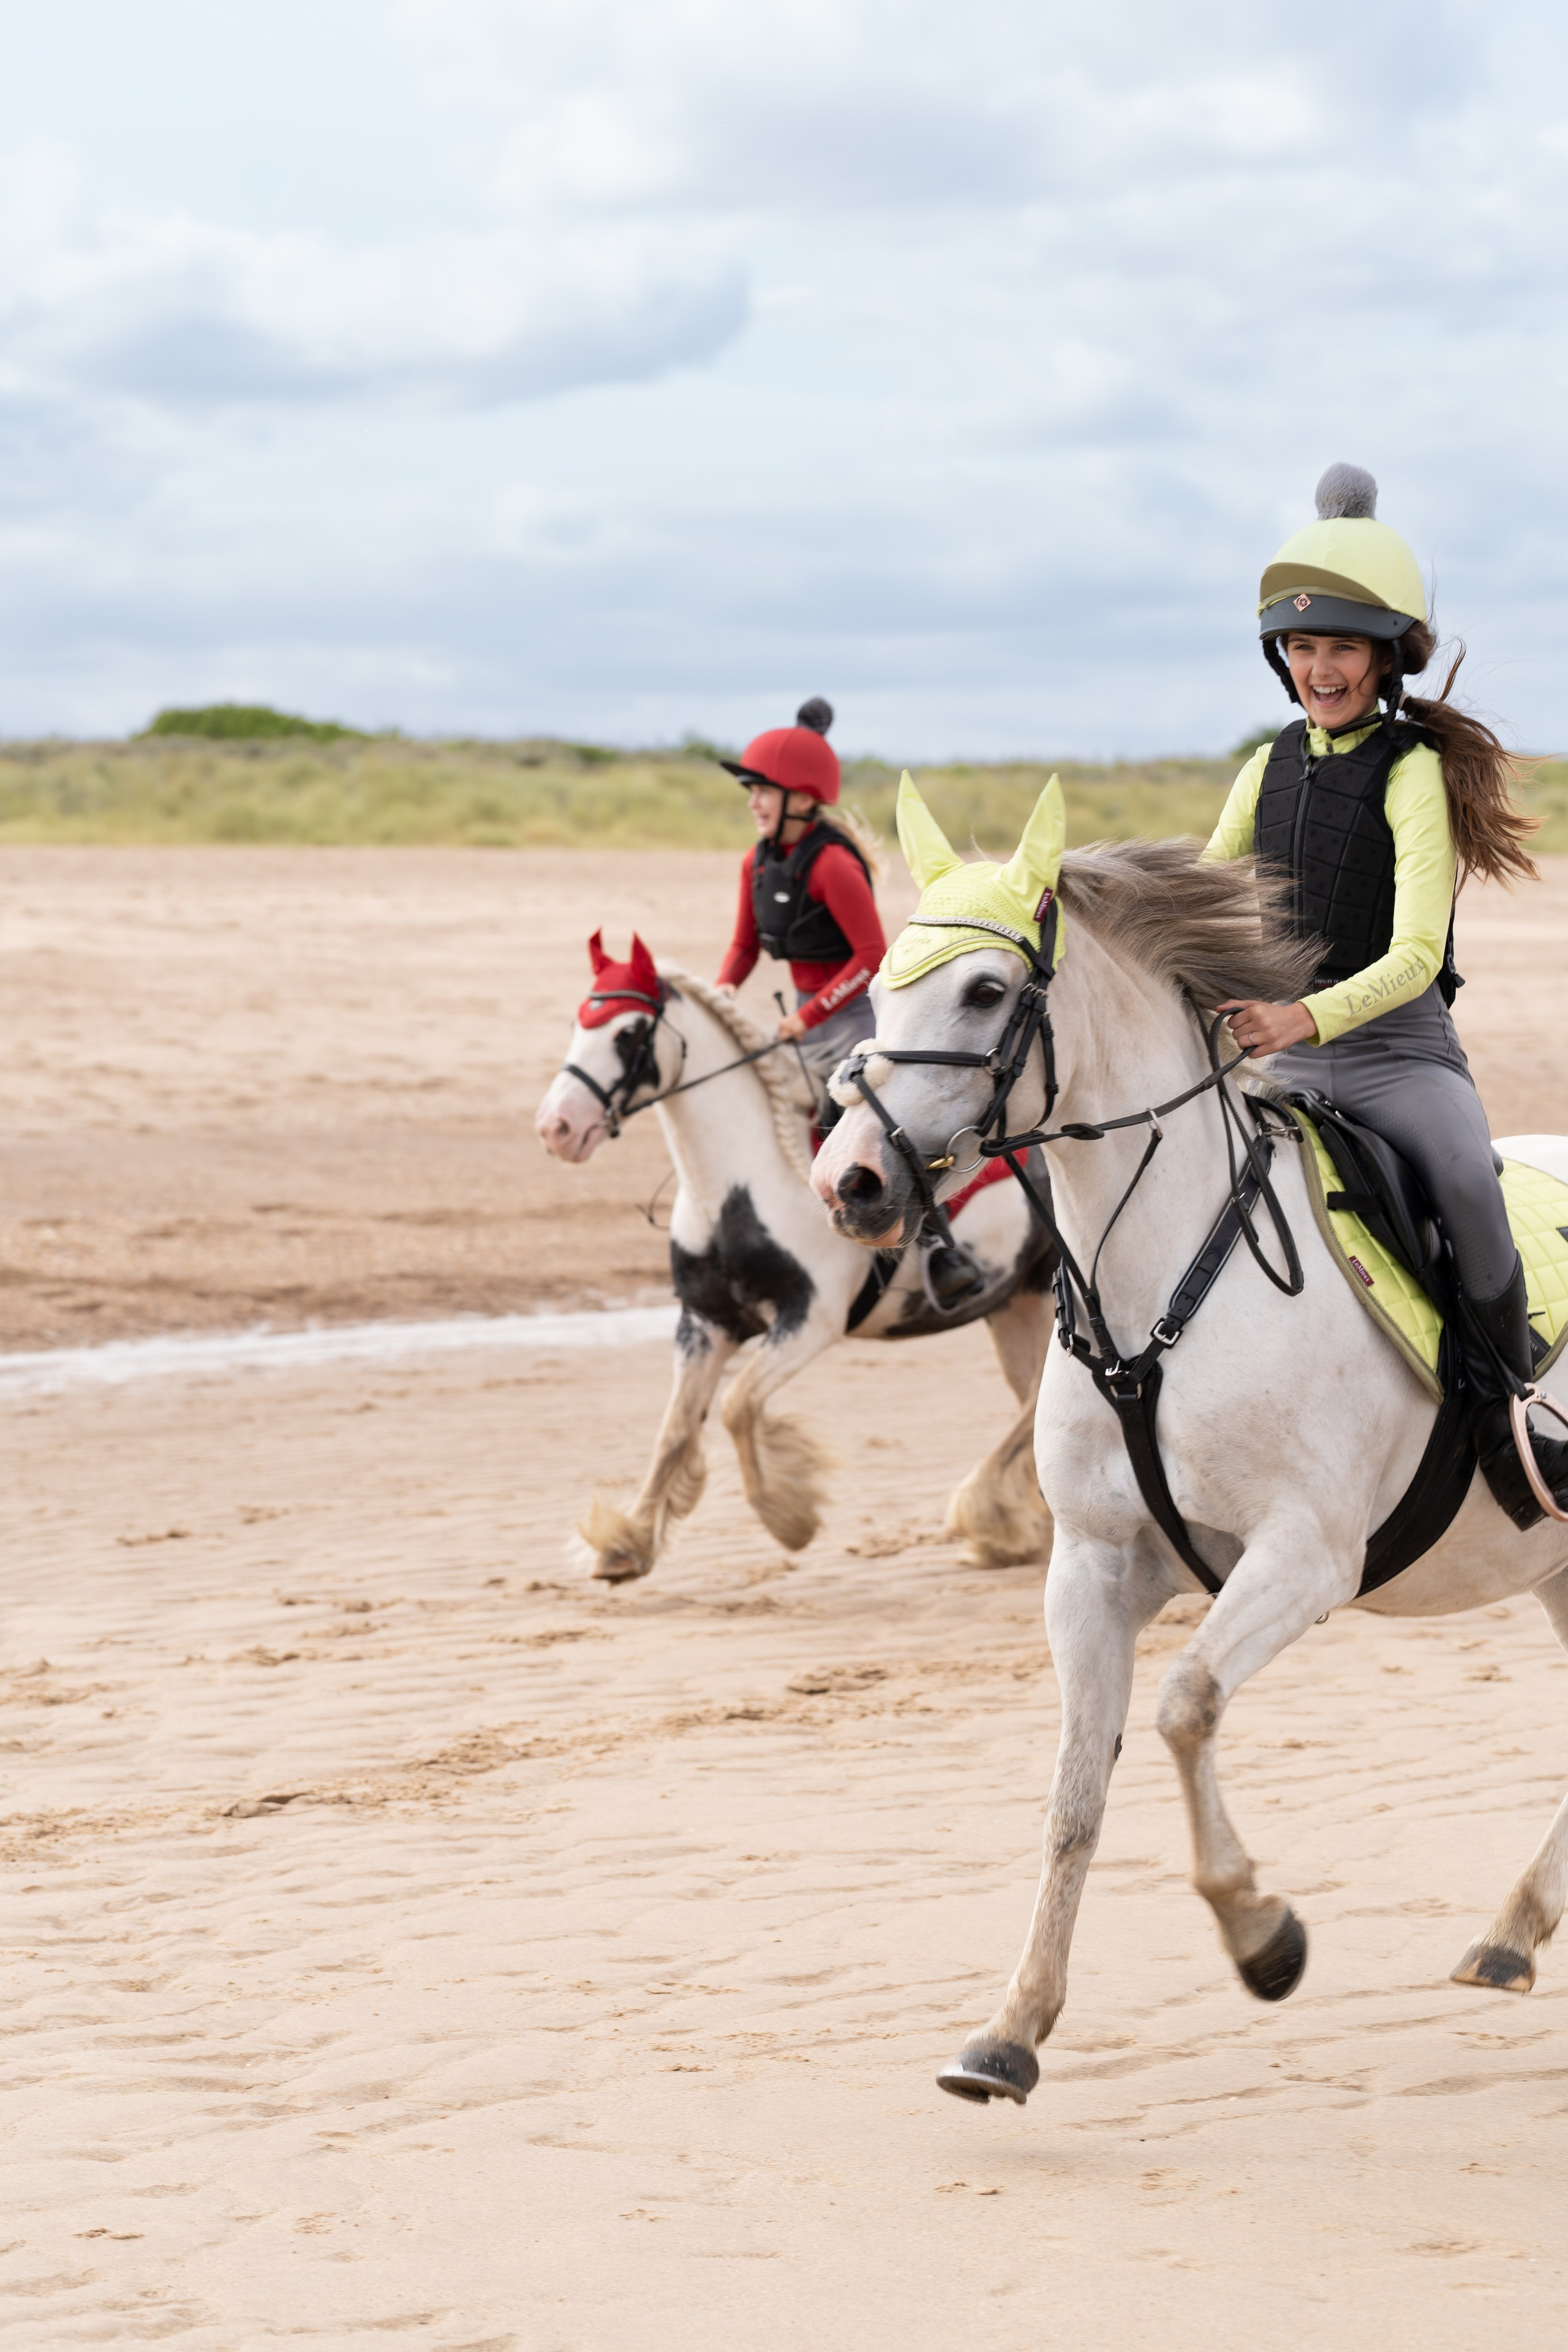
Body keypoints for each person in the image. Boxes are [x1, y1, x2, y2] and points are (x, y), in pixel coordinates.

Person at [1202, 461, 1559, 1529]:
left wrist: (1298, 1017)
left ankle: (1516, 1399)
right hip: (1283, 1050)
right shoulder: (1264, 767)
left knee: (1466, 1180)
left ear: (1384, 657)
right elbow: (1208, 888)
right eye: (1303, 647)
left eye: (1341, 647)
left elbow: (1413, 955)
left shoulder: (1410, 773)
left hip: (1396, 1054)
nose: (1320, 667)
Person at [714, 698, 886, 1111]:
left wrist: (808, 1017)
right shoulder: (754, 863)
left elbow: (871, 957)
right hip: (803, 1011)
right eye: (751, 791)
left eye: (764, 791)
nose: (753, 802)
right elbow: (744, 946)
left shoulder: (834, 865)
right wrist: (723, 988)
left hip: (854, 1018)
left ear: (804, 800)